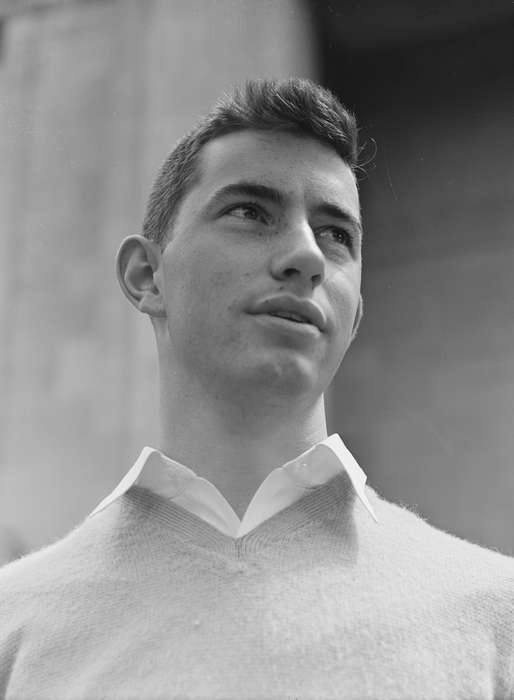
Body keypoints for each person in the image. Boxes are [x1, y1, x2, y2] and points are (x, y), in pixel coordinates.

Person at [0, 78, 513, 700]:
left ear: (353, 314)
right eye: (250, 212)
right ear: (146, 276)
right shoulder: (14, 629)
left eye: (336, 234)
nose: (306, 255)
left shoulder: (495, 618)